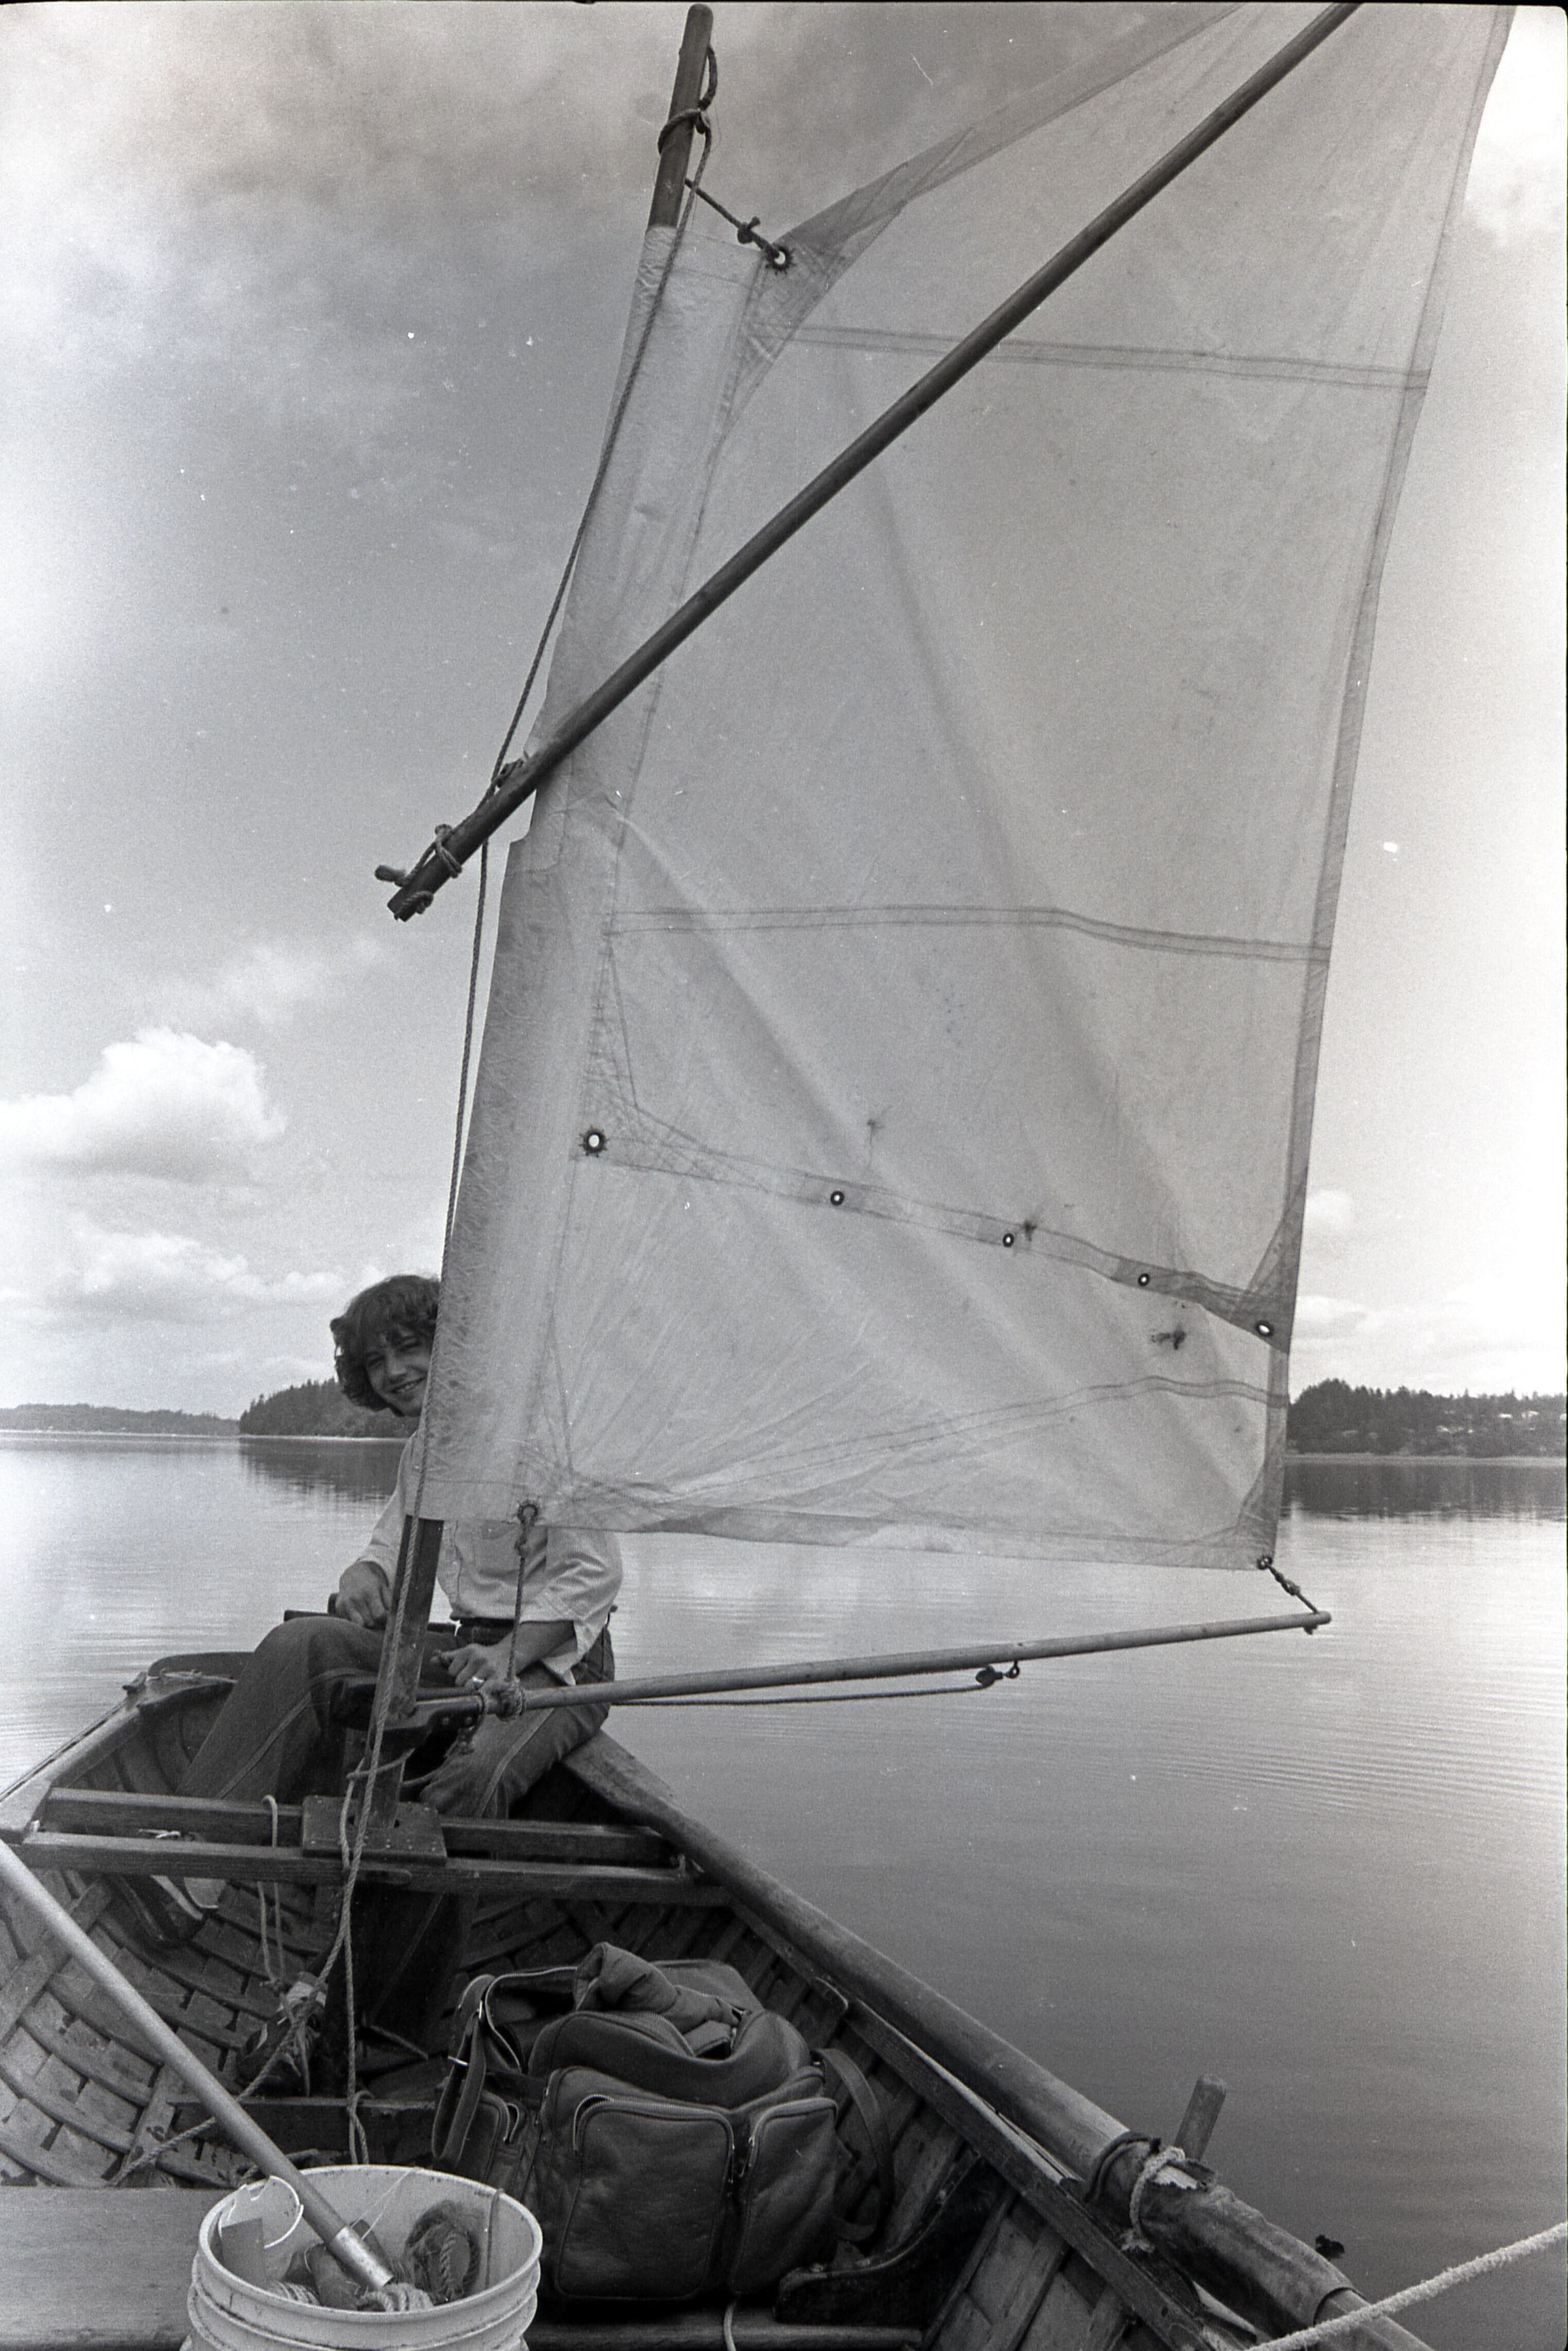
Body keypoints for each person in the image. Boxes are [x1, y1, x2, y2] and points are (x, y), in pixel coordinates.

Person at [171, 1272, 621, 1835]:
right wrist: (363, 1573)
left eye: (409, 1348)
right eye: (376, 1362)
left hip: (562, 1667)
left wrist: (509, 1654)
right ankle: (195, 1836)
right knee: (301, 1643)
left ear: (453, 1346)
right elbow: (391, 1546)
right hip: (468, 1653)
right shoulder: (425, 1452)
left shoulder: (548, 1439)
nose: (393, 1372)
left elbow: (593, 1576)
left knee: (471, 1778)